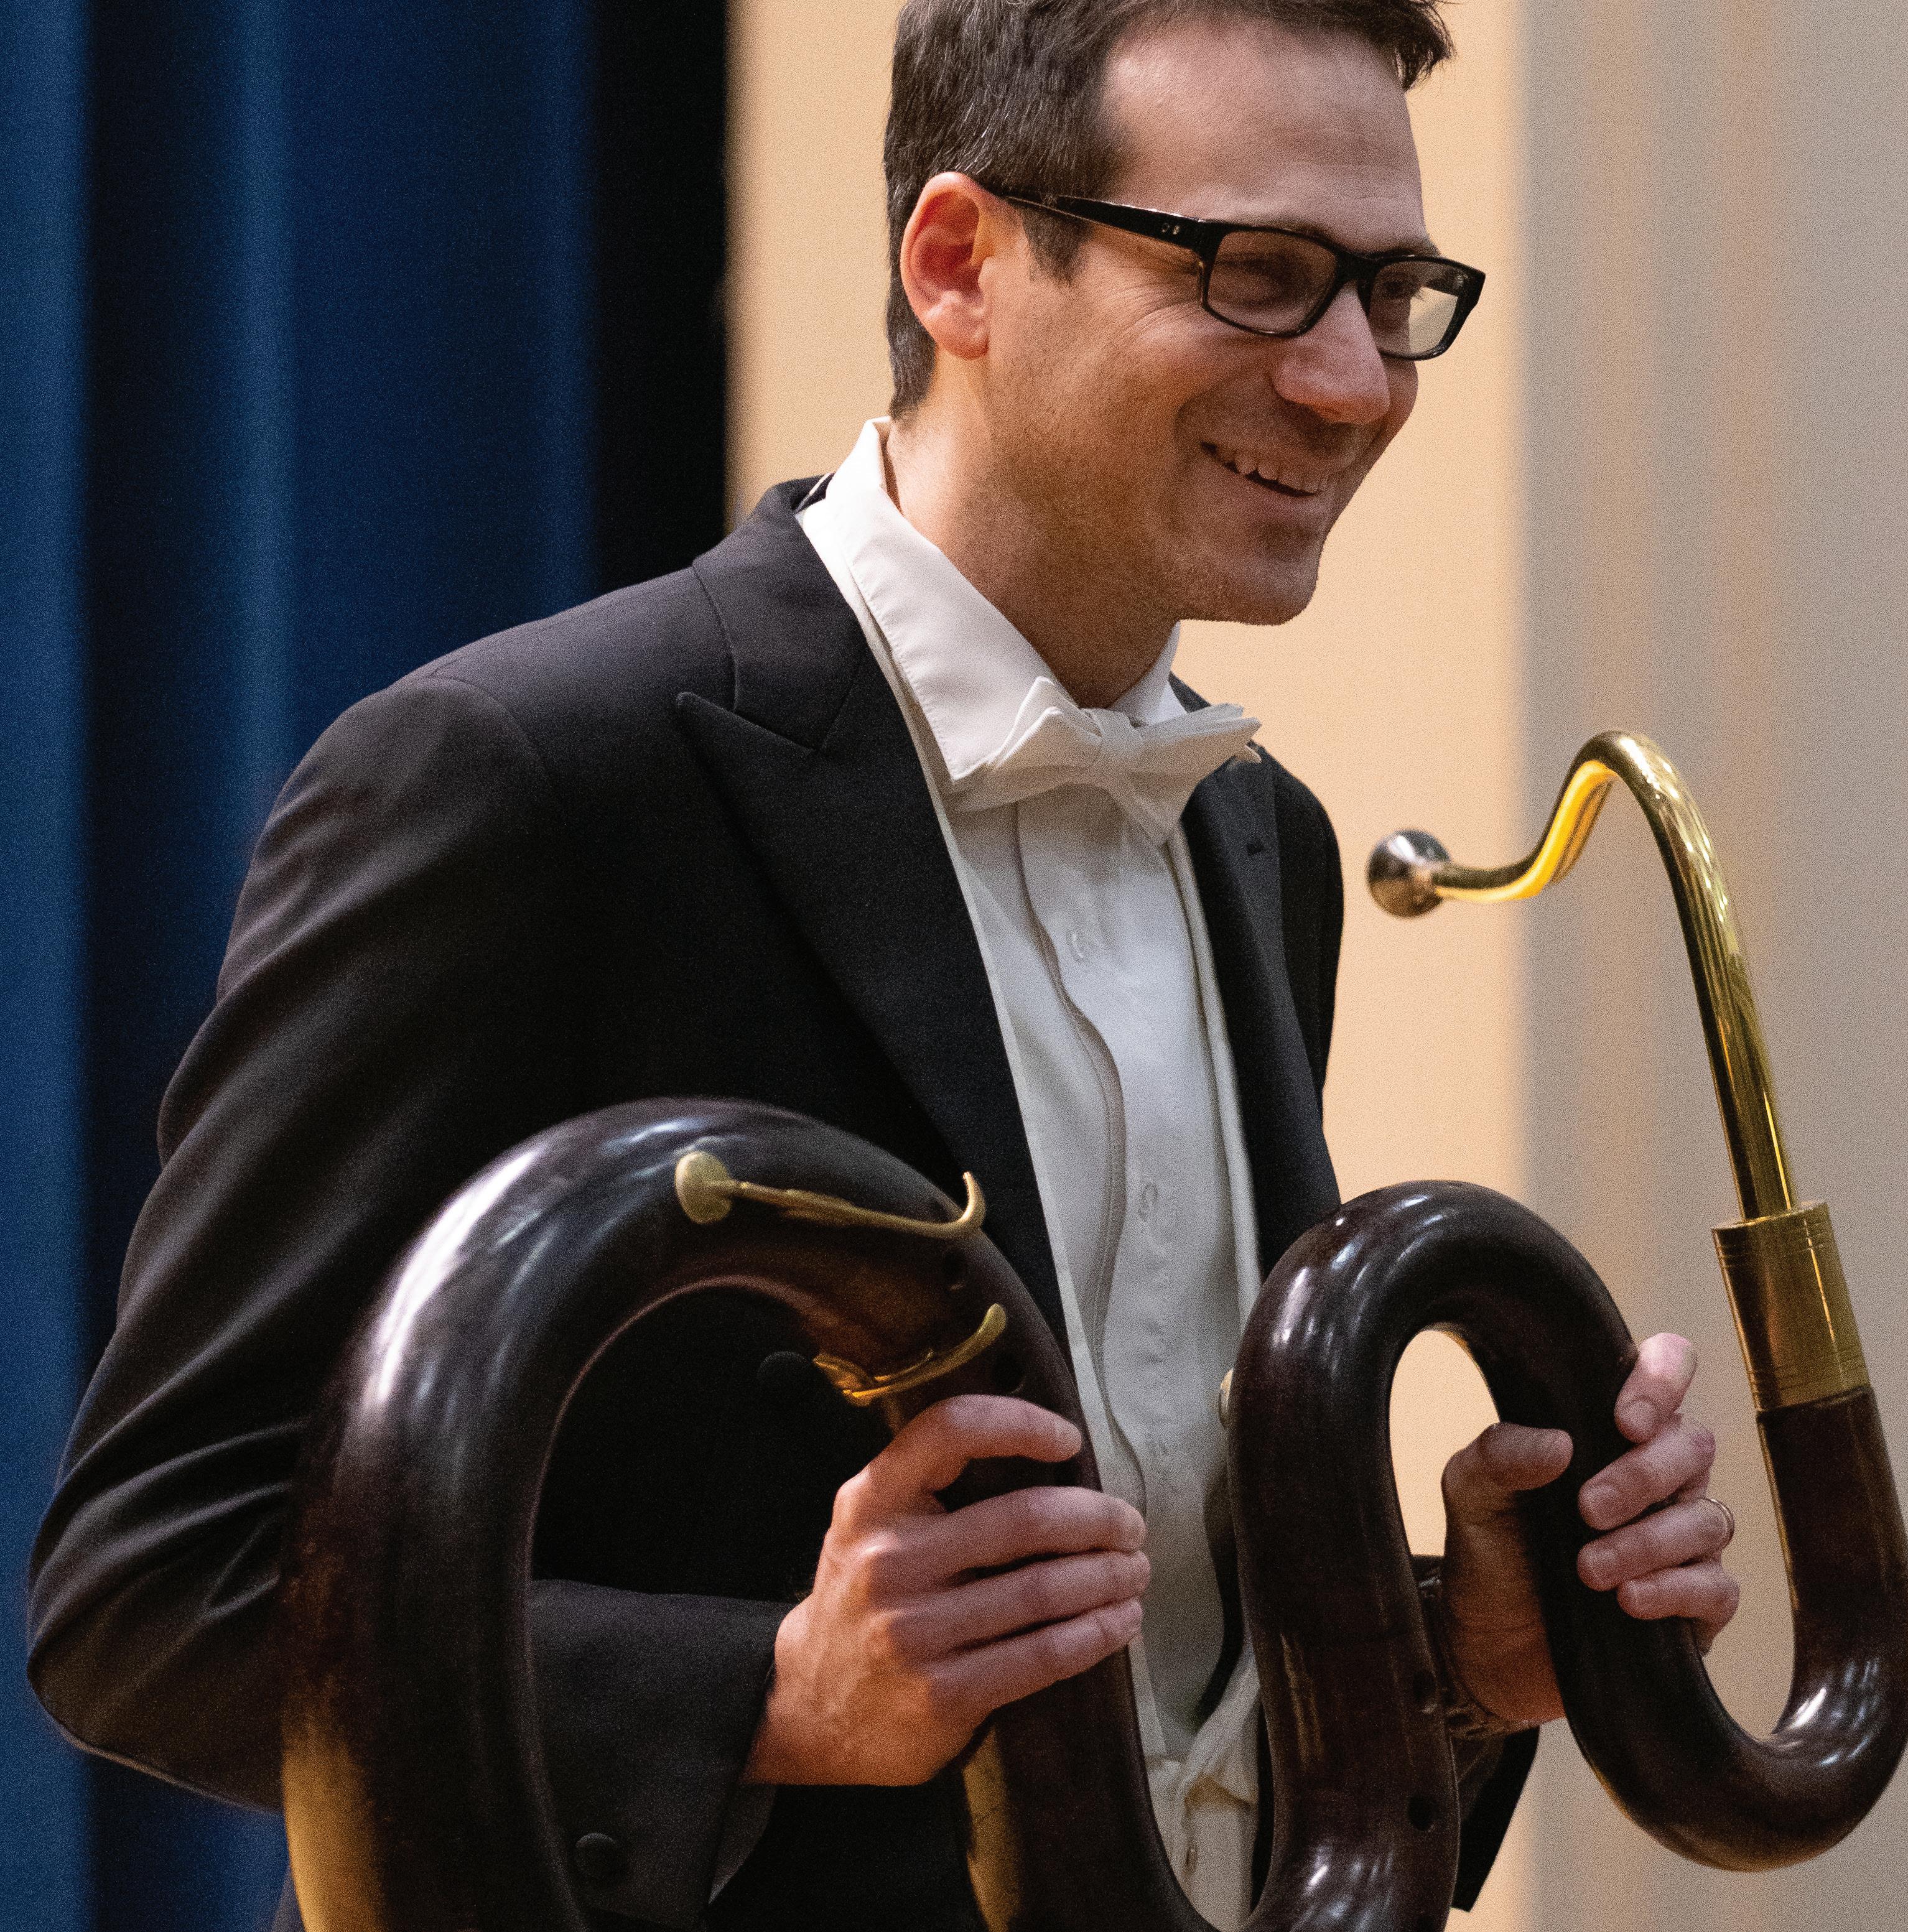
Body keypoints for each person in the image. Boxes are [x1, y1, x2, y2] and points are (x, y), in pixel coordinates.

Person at [27, 4, 1738, 1929]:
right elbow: (155, 1588)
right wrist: (766, 1693)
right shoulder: (526, 781)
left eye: (1393, 291)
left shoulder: (1270, 847)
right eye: (1259, 276)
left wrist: (1450, 1661)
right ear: (960, 262)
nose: (1354, 383)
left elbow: (1162, 1667)